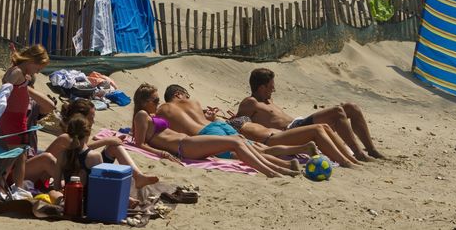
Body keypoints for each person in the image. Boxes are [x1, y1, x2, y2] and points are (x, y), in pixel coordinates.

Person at [130, 84, 292, 178]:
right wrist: (161, 154)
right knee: (237, 142)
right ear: (144, 102)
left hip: (187, 142)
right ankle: (271, 171)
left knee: (239, 141)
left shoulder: (149, 114)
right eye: (155, 100)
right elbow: (140, 143)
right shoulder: (142, 115)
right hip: (183, 146)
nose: (158, 103)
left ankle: (275, 168)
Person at [236, 68, 383, 161]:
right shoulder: (250, 102)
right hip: (291, 131)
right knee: (337, 111)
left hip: (299, 123)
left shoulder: (267, 100)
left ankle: (371, 149)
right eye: (271, 87)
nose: (273, 90)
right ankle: (359, 154)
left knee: (352, 107)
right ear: (262, 87)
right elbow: (238, 123)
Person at [44, 99, 160, 191]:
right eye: (91, 118)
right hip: (74, 175)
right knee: (108, 148)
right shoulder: (67, 137)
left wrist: (110, 141)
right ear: (81, 118)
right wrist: (106, 141)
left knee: (114, 147)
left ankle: (138, 176)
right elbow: (80, 150)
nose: (93, 121)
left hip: (78, 171)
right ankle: (137, 178)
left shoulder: (79, 134)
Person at [0, 45, 52, 187]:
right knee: (15, 155)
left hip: (16, 119)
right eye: (38, 69)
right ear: (32, 61)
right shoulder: (18, 72)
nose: (37, 72)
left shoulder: (20, 71)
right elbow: (7, 83)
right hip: (14, 119)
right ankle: (0, 186)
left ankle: (16, 188)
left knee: (21, 156)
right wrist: (7, 92)